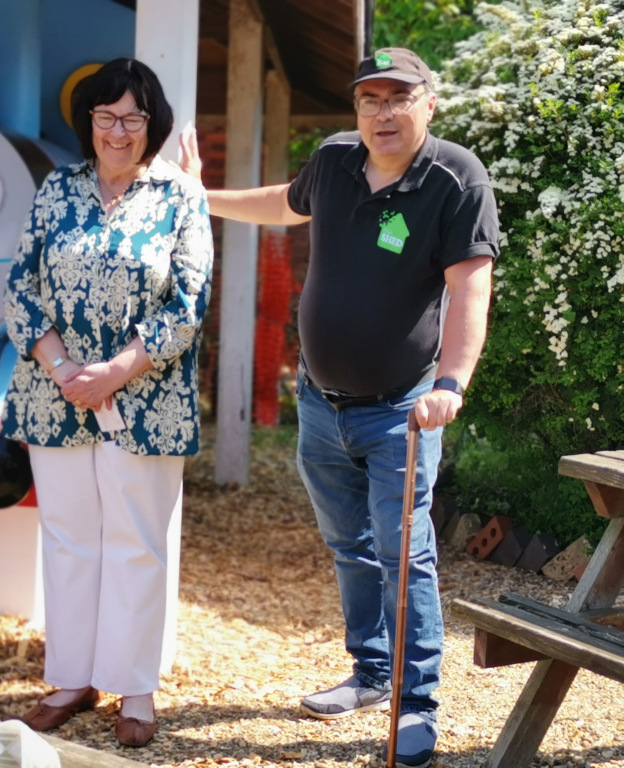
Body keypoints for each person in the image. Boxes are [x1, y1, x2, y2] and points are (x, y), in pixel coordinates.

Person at [181, 48, 499, 768]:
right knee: (350, 548)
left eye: (397, 98)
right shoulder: (332, 160)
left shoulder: (456, 179)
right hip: (319, 407)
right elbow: (286, 205)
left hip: (402, 412)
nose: (381, 113)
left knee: (404, 555)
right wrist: (201, 196)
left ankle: (416, 708)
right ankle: (371, 672)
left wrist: (451, 381)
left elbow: (470, 288)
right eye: (368, 100)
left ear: (429, 102)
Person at [1, 57, 213, 748]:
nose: (117, 130)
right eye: (105, 116)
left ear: (152, 125)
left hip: (145, 399)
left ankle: (136, 690)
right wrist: (65, 369)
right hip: (55, 392)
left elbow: (189, 303)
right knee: (68, 540)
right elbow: (21, 288)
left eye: (132, 117)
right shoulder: (55, 189)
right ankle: (69, 678)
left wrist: (113, 373)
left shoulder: (180, 196)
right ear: (87, 120)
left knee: (136, 544)